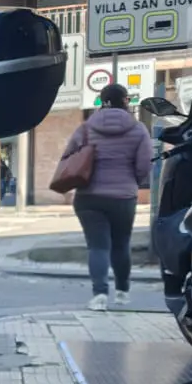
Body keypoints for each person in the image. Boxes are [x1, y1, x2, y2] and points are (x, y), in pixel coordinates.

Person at [63, 83, 151, 310]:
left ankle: (99, 296)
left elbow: (68, 157)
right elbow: (144, 165)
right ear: (125, 101)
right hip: (123, 197)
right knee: (121, 244)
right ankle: (122, 292)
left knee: (97, 247)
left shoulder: (85, 129)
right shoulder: (138, 129)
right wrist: (132, 182)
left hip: (88, 196)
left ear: (102, 102)